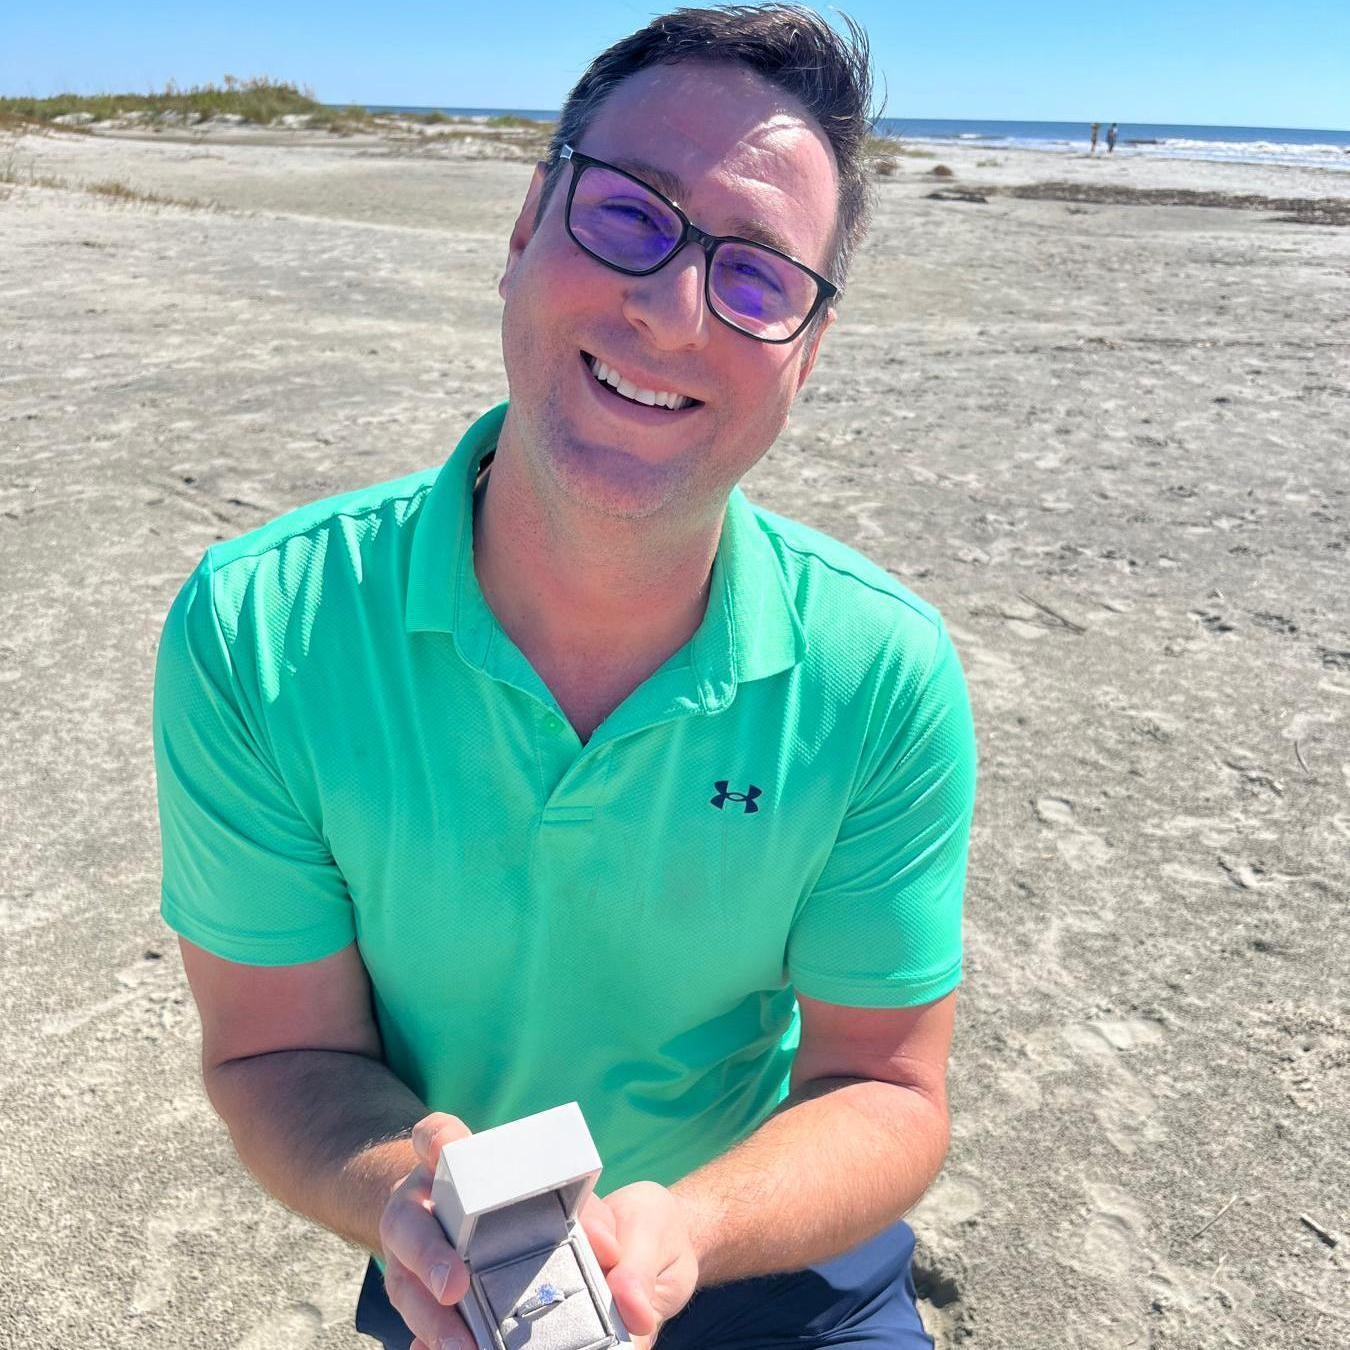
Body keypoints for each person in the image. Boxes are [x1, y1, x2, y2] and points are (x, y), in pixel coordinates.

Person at [152, 6, 977, 1349]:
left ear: (806, 353)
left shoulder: (876, 671)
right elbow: (274, 1051)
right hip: (447, 1245)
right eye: (629, 215)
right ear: (527, 221)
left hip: (780, 1240)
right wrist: (408, 1193)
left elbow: (883, 1081)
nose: (667, 310)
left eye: (757, 276)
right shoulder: (261, 631)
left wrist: (686, 1231)